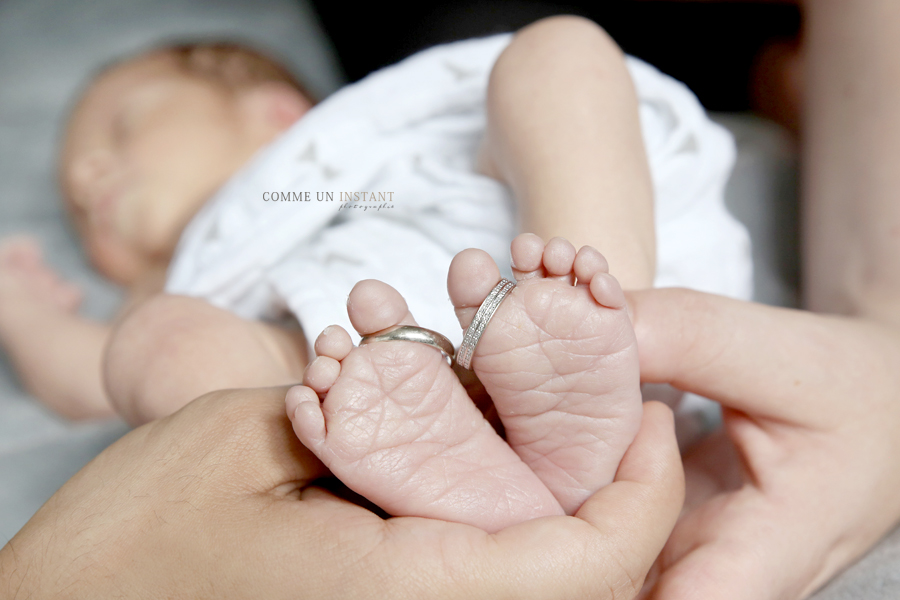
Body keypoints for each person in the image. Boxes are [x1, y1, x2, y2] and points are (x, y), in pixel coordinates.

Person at [0, 16, 747, 527]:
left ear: (275, 110)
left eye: (121, 126)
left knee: (557, 53)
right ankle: (463, 481)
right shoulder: (201, 279)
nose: (89, 174)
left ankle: (583, 318)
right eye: (75, 197)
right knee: (156, 346)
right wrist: (22, 308)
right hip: (357, 388)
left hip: (503, 233)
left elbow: (508, 114)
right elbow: (88, 373)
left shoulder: (373, 146)